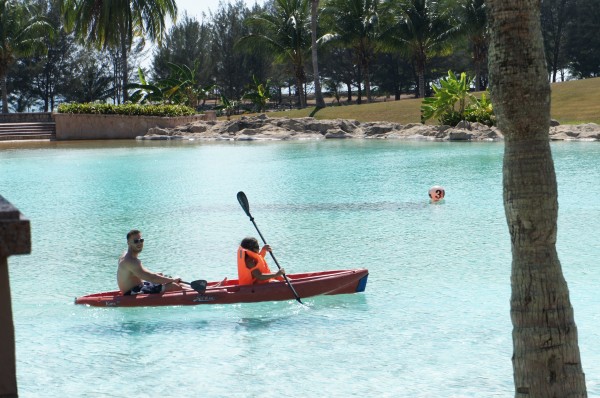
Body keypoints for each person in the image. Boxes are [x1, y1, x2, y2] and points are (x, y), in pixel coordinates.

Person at [117, 229, 186, 295]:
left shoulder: (126, 255)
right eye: (136, 241)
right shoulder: (131, 261)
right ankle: (193, 296)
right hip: (132, 292)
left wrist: (160, 276)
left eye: (141, 240)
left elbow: (139, 273)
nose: (139, 243)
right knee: (174, 286)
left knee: (164, 277)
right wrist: (173, 280)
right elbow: (152, 278)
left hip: (139, 286)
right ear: (128, 242)